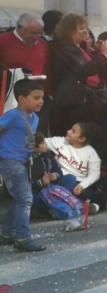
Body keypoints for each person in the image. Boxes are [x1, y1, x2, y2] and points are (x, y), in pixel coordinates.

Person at [47, 13, 107, 136]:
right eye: (82, 28)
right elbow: (86, 69)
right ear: (70, 30)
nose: (86, 31)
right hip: (69, 103)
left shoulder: (77, 47)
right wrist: (105, 56)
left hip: (78, 100)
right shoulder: (65, 47)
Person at [0, 79, 46, 251]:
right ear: (21, 99)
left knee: (18, 198)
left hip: (22, 161)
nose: (41, 101)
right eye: (36, 97)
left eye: (41, 97)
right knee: (26, 198)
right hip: (9, 161)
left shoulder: (35, 118)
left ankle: (7, 233)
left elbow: (25, 138)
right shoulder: (12, 116)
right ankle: (23, 238)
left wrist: (35, 147)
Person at [46, 122, 107, 212]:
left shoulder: (91, 153)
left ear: (82, 139)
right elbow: (41, 142)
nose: (68, 131)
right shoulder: (60, 142)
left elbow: (95, 174)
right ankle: (101, 204)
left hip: (84, 183)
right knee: (79, 192)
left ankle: (97, 204)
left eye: (73, 131)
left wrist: (82, 185)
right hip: (68, 182)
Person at [0, 13, 49, 81]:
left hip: (38, 88)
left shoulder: (43, 44)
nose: (36, 37)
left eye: (39, 33)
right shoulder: (2, 41)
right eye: (33, 33)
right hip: (11, 88)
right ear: (20, 27)